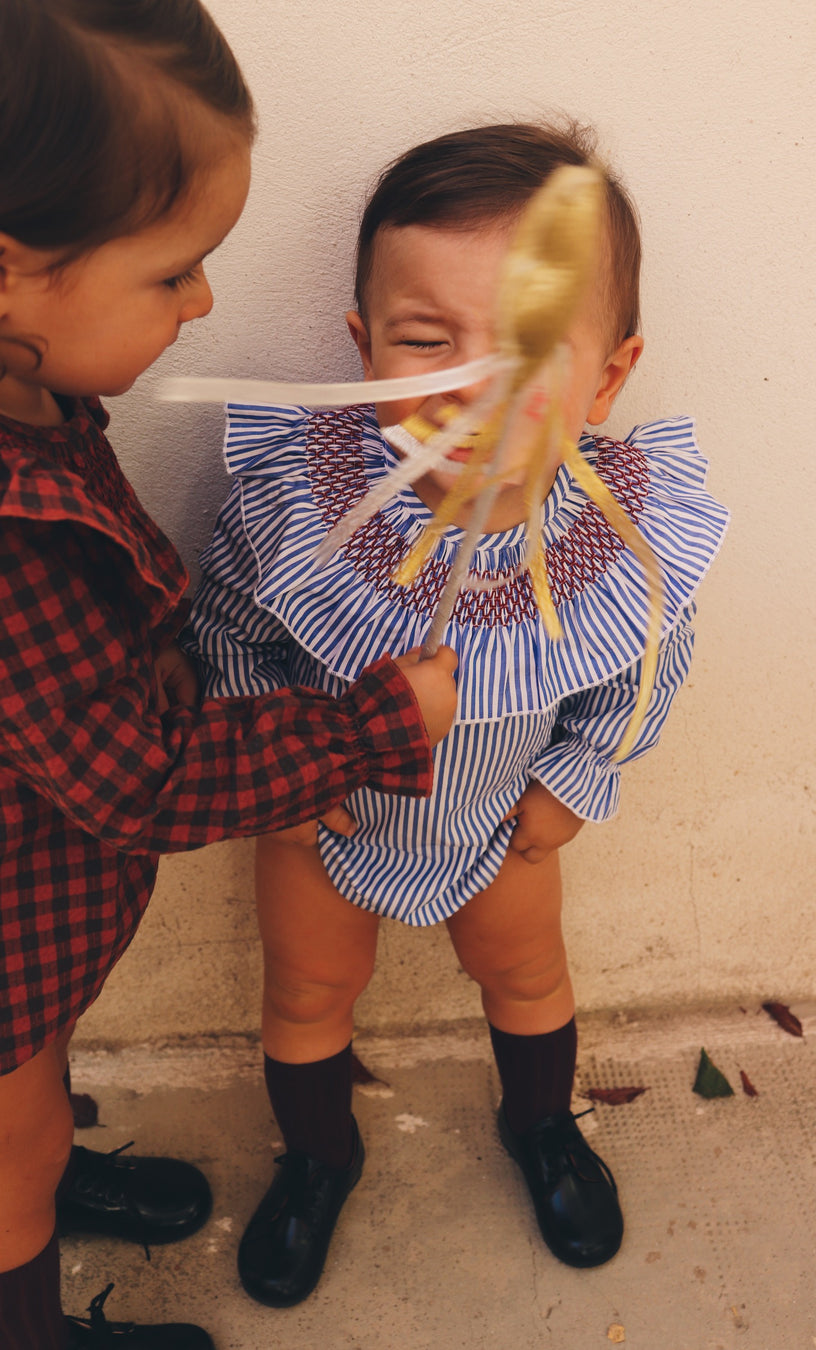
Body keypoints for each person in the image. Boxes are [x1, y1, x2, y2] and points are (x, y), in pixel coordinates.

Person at [189, 121, 729, 1308]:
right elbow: (228, 624)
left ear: (606, 378)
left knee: (527, 970)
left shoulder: (613, 530)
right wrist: (279, 771)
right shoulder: (302, 501)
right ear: (365, 349)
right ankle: (319, 1156)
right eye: (426, 344)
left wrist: (576, 781)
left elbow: (646, 659)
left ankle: (542, 1124)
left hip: (501, 823)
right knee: (305, 991)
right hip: (326, 825)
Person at [0, 5, 458, 1348]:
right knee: (7, 1140)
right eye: (173, 273)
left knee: (36, 1083)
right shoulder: (9, 545)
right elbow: (141, 775)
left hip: (32, 920)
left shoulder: (34, 396)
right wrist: (372, 722)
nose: (202, 301)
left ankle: (47, 1166)